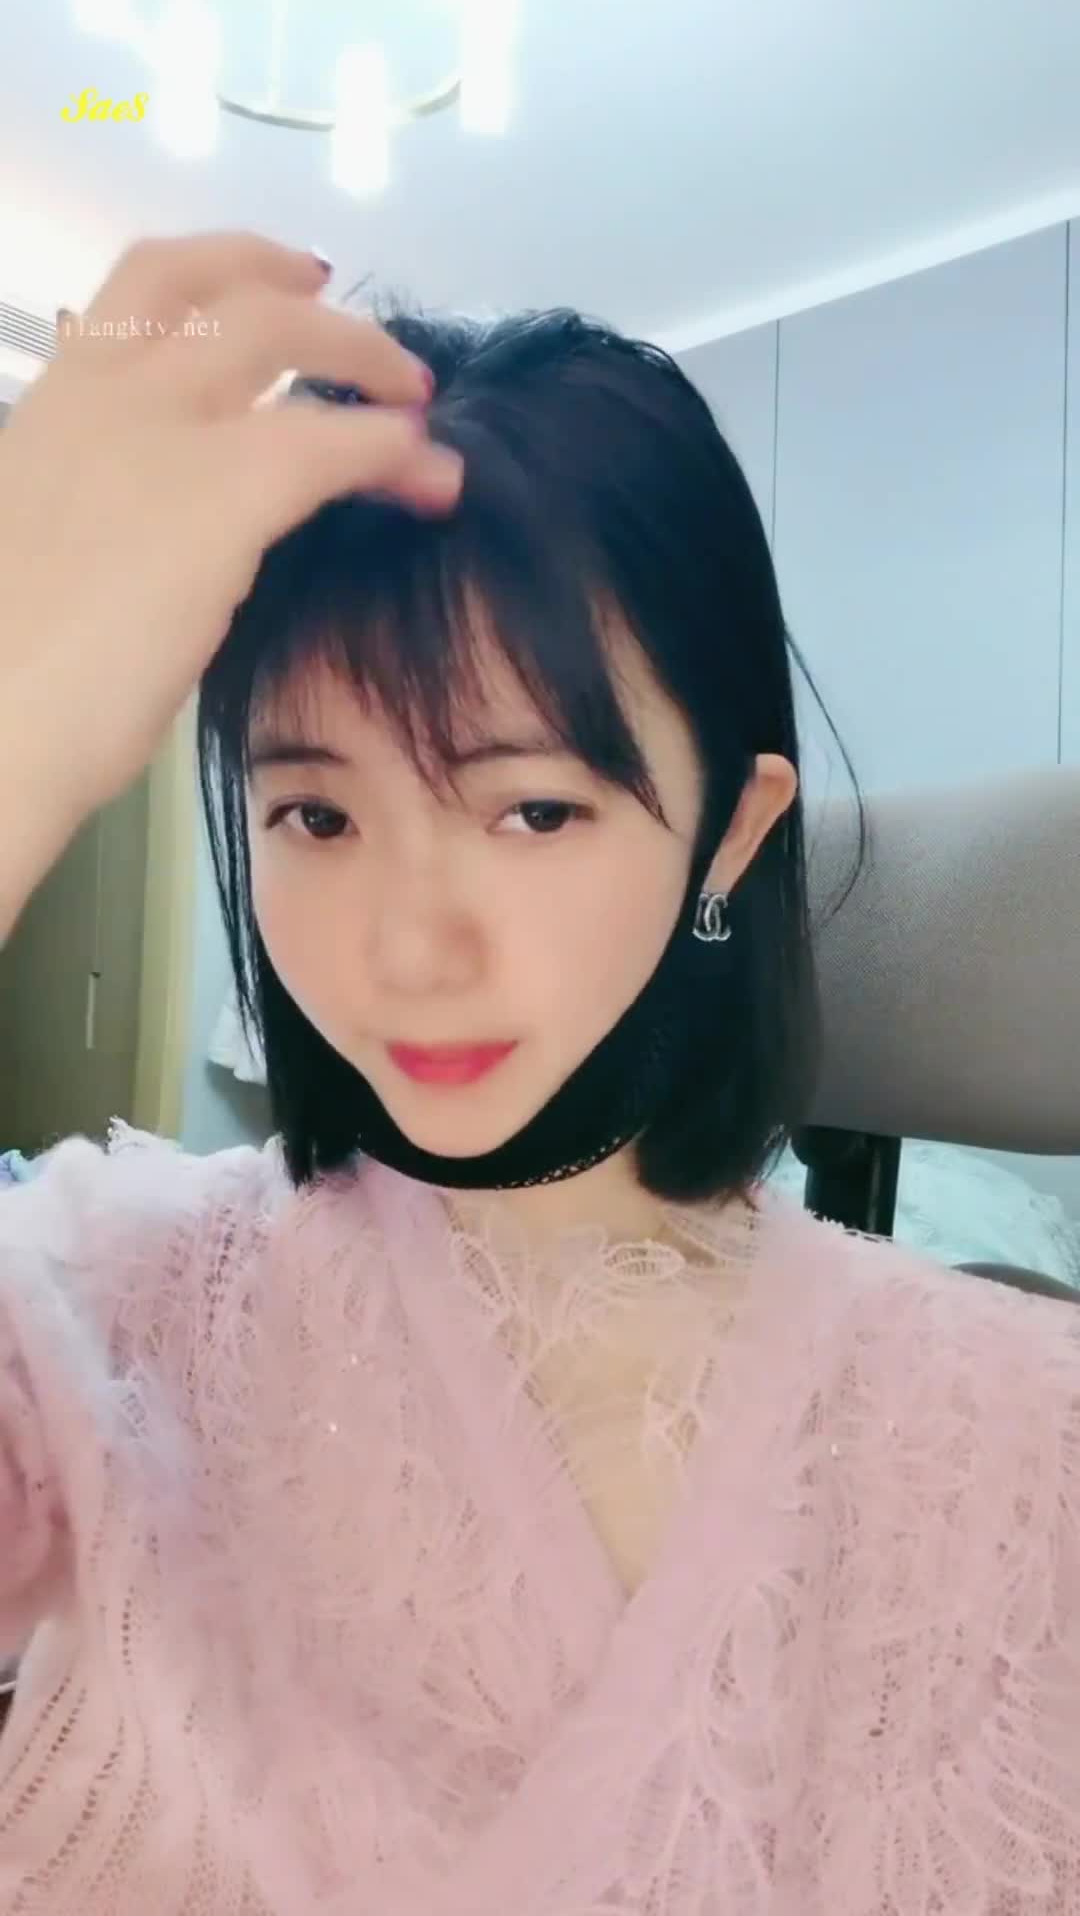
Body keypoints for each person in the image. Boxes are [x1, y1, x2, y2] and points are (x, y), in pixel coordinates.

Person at [0, 230, 1076, 1916]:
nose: (407, 949)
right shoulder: (104, 1305)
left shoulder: (1020, 1442)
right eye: (316, 813)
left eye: (534, 809)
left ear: (732, 830)